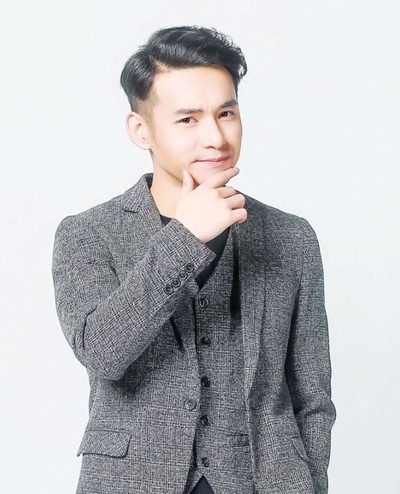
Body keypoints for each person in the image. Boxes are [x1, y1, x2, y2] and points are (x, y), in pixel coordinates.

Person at [52, 25, 336, 494]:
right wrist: (184, 238)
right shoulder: (88, 233)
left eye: (226, 113)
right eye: (188, 120)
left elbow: (313, 398)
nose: (216, 137)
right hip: (131, 480)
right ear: (140, 130)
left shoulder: (291, 237)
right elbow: (102, 352)